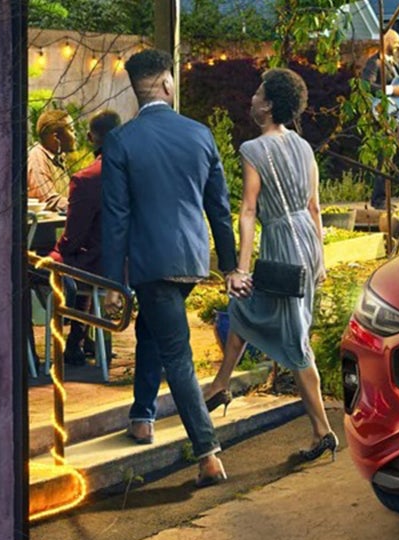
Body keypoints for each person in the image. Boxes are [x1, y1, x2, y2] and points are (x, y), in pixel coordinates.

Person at [96, 49, 239, 487]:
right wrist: (231, 265)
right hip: (192, 260)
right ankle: (142, 417)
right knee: (153, 332)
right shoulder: (200, 134)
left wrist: (110, 282)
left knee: (176, 352)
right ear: (168, 85)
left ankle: (207, 452)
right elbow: (220, 209)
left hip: (150, 263)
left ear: (136, 89)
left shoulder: (121, 141)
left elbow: (116, 217)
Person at [200, 68, 338, 465]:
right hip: (307, 244)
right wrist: (321, 260)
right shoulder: (304, 147)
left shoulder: (253, 149)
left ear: (270, 104)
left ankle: (323, 431)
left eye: (259, 93)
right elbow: (314, 207)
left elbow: (248, 210)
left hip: (282, 245)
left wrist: (241, 268)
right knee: (244, 309)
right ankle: (222, 384)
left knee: (296, 342)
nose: (252, 98)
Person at [49, 109, 122, 365]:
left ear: (91, 138)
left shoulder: (87, 179)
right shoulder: (137, 171)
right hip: (133, 264)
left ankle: (37, 357)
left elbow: (74, 237)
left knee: (33, 269)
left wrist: (57, 251)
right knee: (81, 263)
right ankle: (78, 340)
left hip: (99, 266)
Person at [357, 30, 399, 209]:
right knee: (383, 158)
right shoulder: (374, 63)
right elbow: (366, 85)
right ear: (385, 41)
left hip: (396, 115)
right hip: (381, 115)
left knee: (393, 158)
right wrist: (391, 90)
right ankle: (378, 199)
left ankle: (389, 196)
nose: (398, 44)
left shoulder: (398, 64)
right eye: (395, 41)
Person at [28, 108, 74, 211]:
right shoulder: (37, 157)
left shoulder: (58, 159)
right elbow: (48, 199)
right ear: (56, 137)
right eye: (71, 130)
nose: (75, 136)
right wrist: (81, 207)